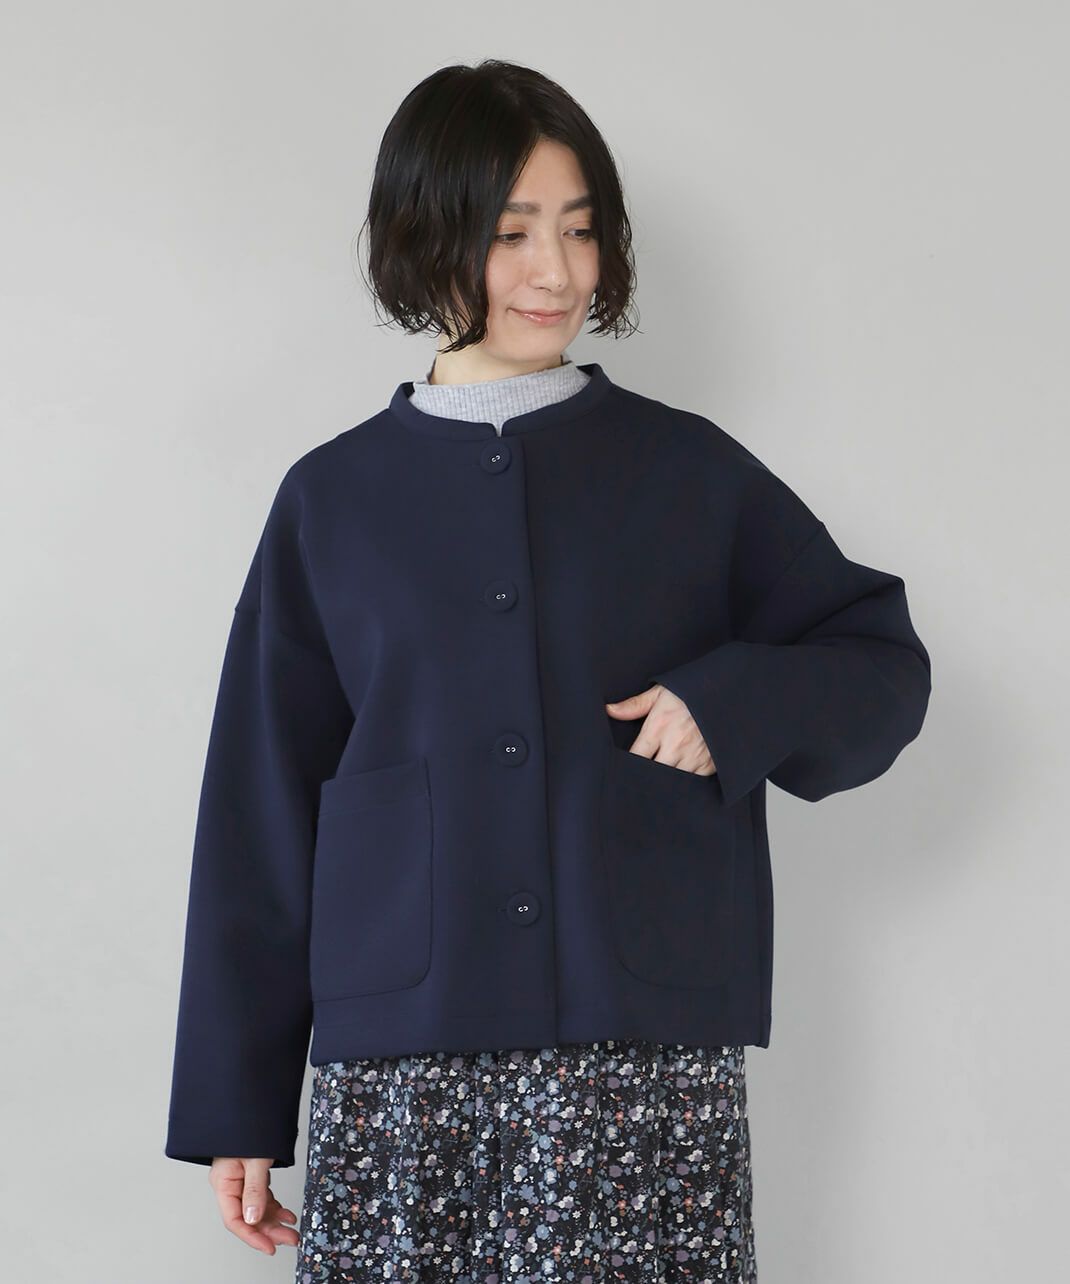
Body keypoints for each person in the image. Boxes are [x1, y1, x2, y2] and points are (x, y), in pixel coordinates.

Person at [165, 60, 930, 1284]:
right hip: (403, 1079)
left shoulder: (688, 473)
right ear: (426, 236)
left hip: (638, 1073)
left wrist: (730, 701)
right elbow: (258, 814)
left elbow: (879, 663)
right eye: (511, 232)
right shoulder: (331, 502)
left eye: (579, 230)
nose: (558, 273)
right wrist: (234, 1103)